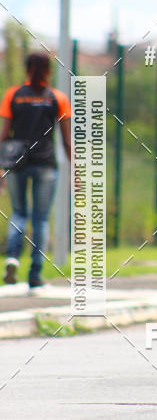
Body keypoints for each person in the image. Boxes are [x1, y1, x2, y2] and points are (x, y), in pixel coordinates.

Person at [0, 52, 71, 288]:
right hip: (45, 165)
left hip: (16, 163)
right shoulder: (57, 98)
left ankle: (12, 258)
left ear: (26, 69)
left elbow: (3, 135)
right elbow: (67, 140)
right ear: (49, 70)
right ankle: (35, 273)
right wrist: (76, 169)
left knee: (19, 213)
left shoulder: (13, 95)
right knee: (40, 219)